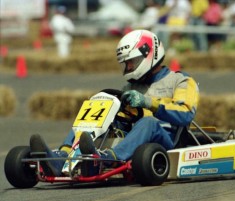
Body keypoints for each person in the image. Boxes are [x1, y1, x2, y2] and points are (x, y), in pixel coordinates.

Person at [30, 29, 200, 176]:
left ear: (147, 54)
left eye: (131, 63)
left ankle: (109, 159)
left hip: (166, 139)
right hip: (133, 138)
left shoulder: (180, 80)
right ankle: (62, 157)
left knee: (148, 123)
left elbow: (185, 113)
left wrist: (149, 103)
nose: (128, 68)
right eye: (126, 64)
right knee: (95, 114)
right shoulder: (131, 86)